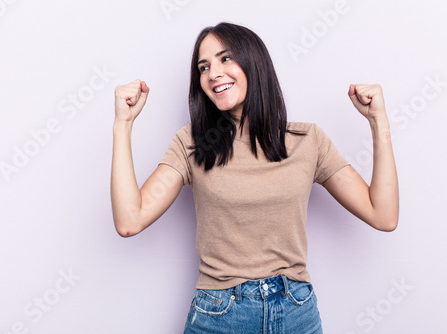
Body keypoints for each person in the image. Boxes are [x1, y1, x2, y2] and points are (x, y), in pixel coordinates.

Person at [110, 22, 398, 333]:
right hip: (219, 315)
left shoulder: (307, 140)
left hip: (296, 312)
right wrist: (122, 124)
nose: (213, 73)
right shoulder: (192, 143)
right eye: (203, 67)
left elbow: (382, 215)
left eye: (225, 58)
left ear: (254, 62)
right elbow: (130, 220)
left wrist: (378, 122)